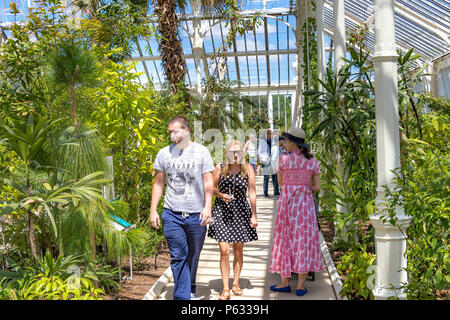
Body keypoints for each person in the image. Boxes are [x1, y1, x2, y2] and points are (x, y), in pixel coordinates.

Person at [149, 116, 215, 300]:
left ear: (187, 131)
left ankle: (190, 287)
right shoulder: (163, 154)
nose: (172, 135)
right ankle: (183, 298)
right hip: (172, 214)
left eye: (175, 131)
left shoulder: (202, 152)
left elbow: (208, 181)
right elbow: (159, 182)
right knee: (179, 257)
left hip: (196, 215)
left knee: (193, 255)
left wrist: (208, 207)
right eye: (169, 132)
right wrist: (153, 209)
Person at [268, 126, 323, 297]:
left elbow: (281, 183)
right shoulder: (312, 161)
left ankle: (285, 283)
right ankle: (300, 286)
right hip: (305, 208)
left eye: (286, 140)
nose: (284, 143)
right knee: (303, 241)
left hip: (287, 206)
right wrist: (304, 185)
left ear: (291, 142)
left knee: (285, 240)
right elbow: (317, 188)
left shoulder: (283, 161)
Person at [208, 139, 258, 300]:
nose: (235, 155)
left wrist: (254, 214)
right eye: (232, 152)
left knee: (238, 249)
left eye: (238, 152)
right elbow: (211, 188)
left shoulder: (248, 169)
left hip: (241, 211)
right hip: (221, 211)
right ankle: (225, 288)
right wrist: (221, 195)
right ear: (227, 153)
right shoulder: (220, 168)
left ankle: (235, 283)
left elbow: (252, 192)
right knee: (224, 250)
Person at [257, 129, 280, 198]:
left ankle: (276, 192)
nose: (271, 135)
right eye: (270, 133)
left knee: (274, 177)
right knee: (266, 177)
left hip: (272, 160)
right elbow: (259, 151)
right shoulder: (262, 140)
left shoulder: (273, 140)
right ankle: (265, 193)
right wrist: (262, 159)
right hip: (266, 161)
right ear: (266, 134)